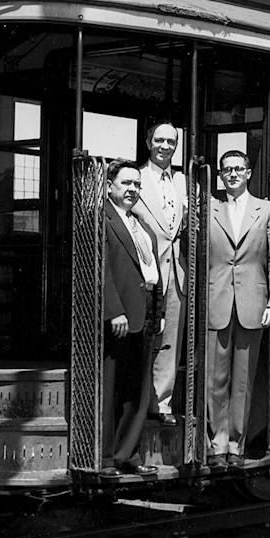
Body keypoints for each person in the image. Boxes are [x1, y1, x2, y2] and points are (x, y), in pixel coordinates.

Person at [205, 150, 270, 468]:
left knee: (242, 380)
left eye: (238, 169)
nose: (233, 174)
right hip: (217, 303)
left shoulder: (268, 211)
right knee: (216, 379)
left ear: (249, 173)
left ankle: (236, 445)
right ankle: (217, 443)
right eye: (227, 170)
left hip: (253, 306)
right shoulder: (210, 209)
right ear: (221, 175)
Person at [102, 159, 164, 475]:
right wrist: (114, 311)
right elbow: (100, 270)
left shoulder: (139, 223)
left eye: (137, 184)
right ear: (109, 185)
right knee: (112, 389)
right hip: (120, 319)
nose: (132, 189)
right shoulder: (103, 220)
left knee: (136, 391)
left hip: (145, 317)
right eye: (126, 183)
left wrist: (160, 311)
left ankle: (128, 454)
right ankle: (107, 458)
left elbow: (153, 271)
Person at [133, 118, 187, 421]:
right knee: (145, 337)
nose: (165, 146)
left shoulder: (183, 181)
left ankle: (162, 403)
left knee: (171, 339)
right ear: (149, 143)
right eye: (159, 141)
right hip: (147, 270)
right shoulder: (136, 178)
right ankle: (140, 401)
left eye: (171, 142)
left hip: (177, 270)